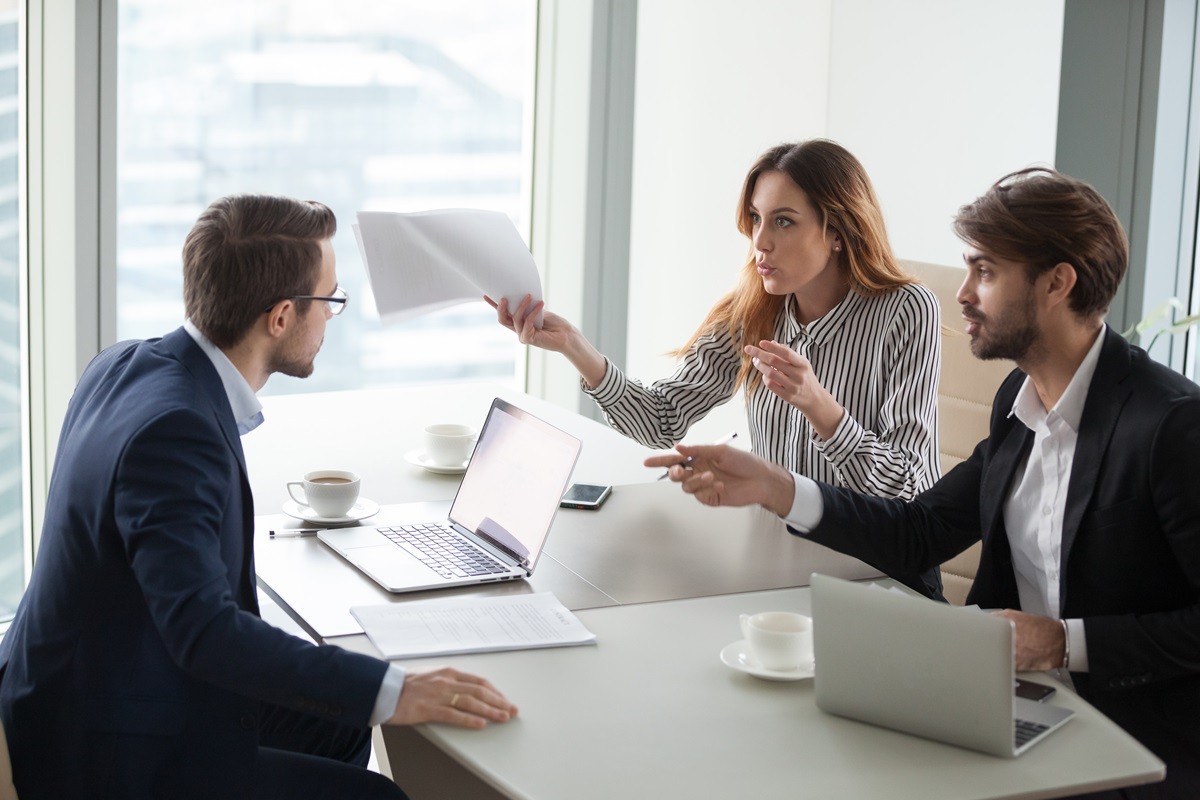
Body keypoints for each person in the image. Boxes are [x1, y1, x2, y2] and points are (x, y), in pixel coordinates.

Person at [649, 167, 1200, 798]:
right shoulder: (1021, 403)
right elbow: (920, 531)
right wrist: (775, 486)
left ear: (1058, 283)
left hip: (1130, 746)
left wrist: (1060, 642)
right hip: (1012, 712)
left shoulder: (1171, 427)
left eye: (985, 272)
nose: (963, 294)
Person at [0, 195, 519, 800]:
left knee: (343, 726)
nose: (332, 317)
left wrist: (367, 693)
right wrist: (395, 689)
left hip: (93, 679)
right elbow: (206, 636)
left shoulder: (125, 364)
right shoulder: (177, 431)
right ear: (279, 317)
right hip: (103, 744)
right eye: (330, 301)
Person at [491, 139, 944, 595]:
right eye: (756, 219)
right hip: (783, 568)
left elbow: (904, 490)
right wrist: (573, 346)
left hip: (880, 575)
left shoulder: (907, 310)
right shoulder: (754, 310)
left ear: (838, 231)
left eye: (783, 222)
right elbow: (661, 420)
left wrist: (819, 406)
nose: (760, 242)